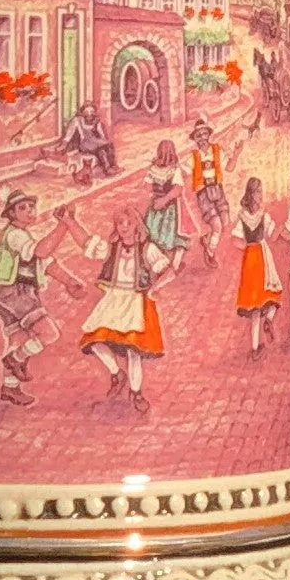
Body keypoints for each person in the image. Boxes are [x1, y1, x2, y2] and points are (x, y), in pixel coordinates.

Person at [79, 213, 171, 408]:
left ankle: (136, 393)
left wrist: (155, 288)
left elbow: (169, 270)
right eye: (120, 222)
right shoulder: (112, 248)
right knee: (94, 341)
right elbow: (87, 243)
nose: (125, 227)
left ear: (137, 225)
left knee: (133, 350)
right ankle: (116, 373)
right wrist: (70, 222)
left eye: (129, 223)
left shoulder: (147, 249)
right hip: (114, 298)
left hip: (136, 300)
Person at [0, 189, 49, 403]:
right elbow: (39, 252)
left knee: (18, 339)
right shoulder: (15, 235)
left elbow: (45, 262)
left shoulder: (22, 234)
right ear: (11, 214)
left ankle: (10, 388)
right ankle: (14, 359)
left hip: (6, 293)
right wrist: (64, 226)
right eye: (22, 208)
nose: (30, 211)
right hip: (12, 291)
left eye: (31, 207)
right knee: (48, 333)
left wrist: (68, 281)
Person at [233, 174, 283, 352]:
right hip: (262, 256)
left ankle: (255, 348)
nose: (261, 195)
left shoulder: (242, 217)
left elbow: (236, 240)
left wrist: (247, 248)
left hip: (250, 258)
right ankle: (269, 318)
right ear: (253, 194)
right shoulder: (264, 216)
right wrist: (284, 231)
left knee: (254, 306)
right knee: (274, 293)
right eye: (259, 192)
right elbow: (274, 235)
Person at [186, 118, 228, 262]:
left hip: (218, 190)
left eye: (205, 134)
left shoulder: (217, 150)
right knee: (217, 226)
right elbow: (182, 172)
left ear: (209, 135)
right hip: (204, 194)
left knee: (225, 221)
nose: (202, 138)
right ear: (195, 139)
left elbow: (229, 167)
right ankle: (210, 252)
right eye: (199, 136)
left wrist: (236, 154)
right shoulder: (193, 157)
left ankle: (207, 239)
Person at [143, 137, 185, 262]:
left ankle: (169, 259)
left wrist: (164, 199)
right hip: (155, 206)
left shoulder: (174, 170)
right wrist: (153, 197)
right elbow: (147, 186)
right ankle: (156, 258)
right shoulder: (153, 169)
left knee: (167, 234)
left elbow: (178, 189)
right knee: (152, 231)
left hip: (169, 208)